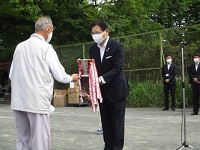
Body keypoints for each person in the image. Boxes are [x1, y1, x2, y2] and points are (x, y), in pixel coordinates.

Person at [9, 16, 79, 150]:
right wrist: (71, 78)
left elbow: (12, 74)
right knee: (40, 140)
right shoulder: (46, 48)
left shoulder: (19, 47)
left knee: (23, 139)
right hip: (37, 102)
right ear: (48, 29)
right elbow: (60, 75)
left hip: (18, 101)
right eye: (51, 31)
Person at [89, 19, 129, 150]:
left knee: (117, 124)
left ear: (106, 31)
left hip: (117, 91)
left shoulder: (117, 46)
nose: (95, 35)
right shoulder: (93, 49)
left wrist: (101, 79)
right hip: (102, 93)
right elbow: (92, 69)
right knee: (106, 124)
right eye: (93, 33)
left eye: (98, 32)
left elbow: (118, 68)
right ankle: (108, 147)